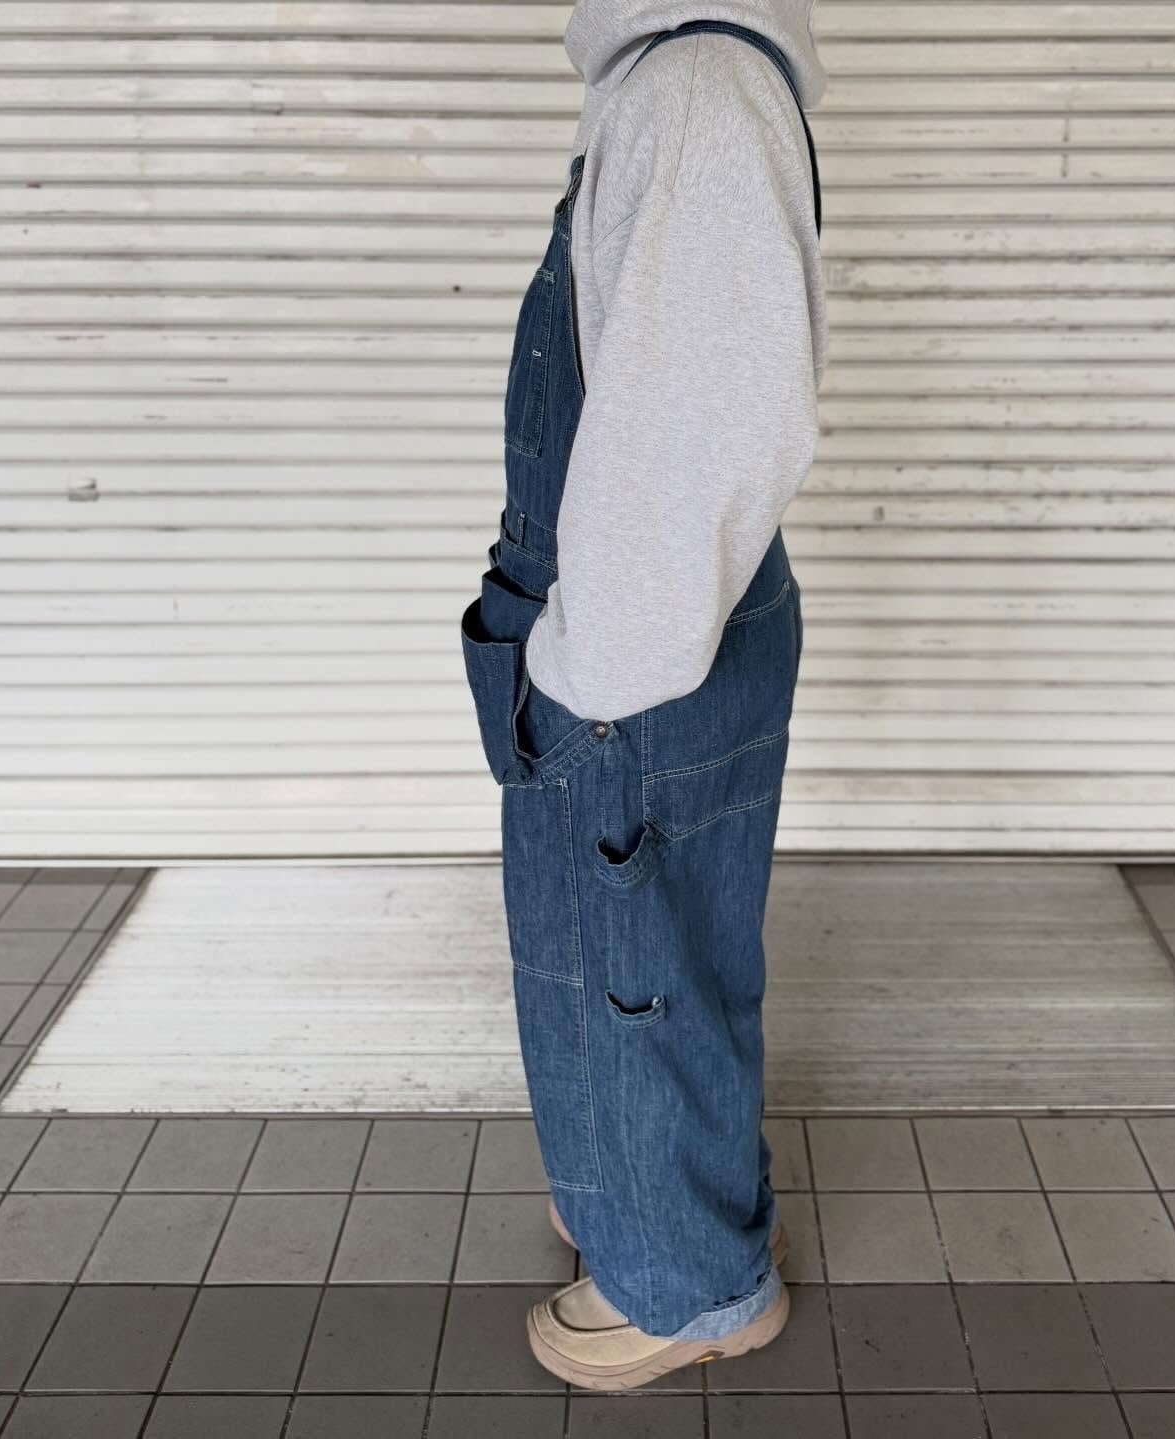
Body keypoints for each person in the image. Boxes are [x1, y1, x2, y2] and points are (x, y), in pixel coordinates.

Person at [459, 0, 826, 1390]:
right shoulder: (680, 81)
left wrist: (585, 677)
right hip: (645, 623)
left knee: (636, 975)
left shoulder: (700, 89)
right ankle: (656, 1196)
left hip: (642, 647)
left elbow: (705, 429)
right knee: (660, 958)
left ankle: (686, 1286)